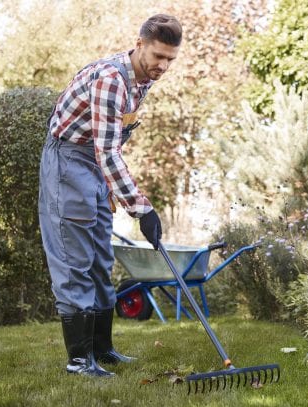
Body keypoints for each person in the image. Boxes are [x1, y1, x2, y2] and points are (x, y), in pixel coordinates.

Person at [38, 14, 182, 377]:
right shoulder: (110, 79)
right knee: (76, 262)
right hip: (69, 162)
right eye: (157, 56)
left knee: (101, 261)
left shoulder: (142, 79)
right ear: (139, 44)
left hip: (95, 165)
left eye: (170, 59)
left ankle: (101, 350)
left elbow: (113, 141)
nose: (162, 65)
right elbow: (107, 149)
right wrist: (140, 207)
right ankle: (78, 362)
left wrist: (114, 188)